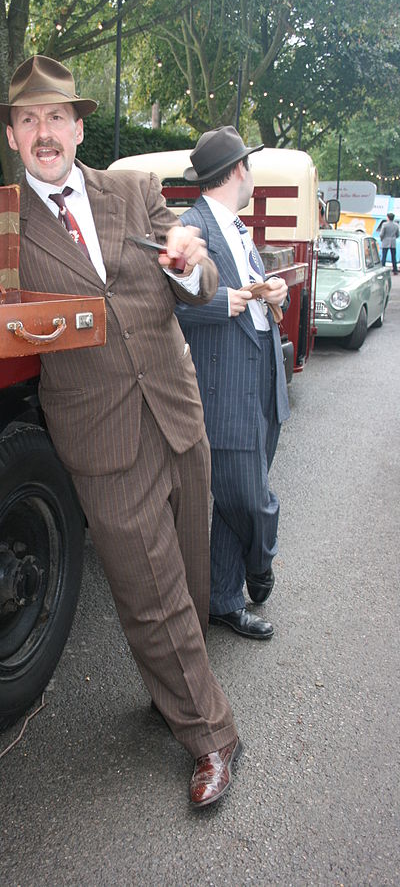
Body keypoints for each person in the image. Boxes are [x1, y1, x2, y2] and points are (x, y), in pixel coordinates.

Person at [0, 56, 242, 808]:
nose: (43, 130)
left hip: (177, 414)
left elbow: (204, 283)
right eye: (27, 119)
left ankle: (174, 693)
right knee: (150, 593)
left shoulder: (132, 190)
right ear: (14, 135)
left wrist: (193, 263)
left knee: (187, 575)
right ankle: (212, 735)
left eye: (55, 115)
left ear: (78, 125)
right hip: (103, 439)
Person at [175, 126, 290, 641]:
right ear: (238, 170)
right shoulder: (190, 226)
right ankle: (260, 564)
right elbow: (170, 305)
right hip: (224, 393)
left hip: (262, 381)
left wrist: (275, 295)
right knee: (252, 499)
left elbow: (260, 300)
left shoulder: (238, 230)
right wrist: (228, 302)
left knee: (230, 504)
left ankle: (223, 602)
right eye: (250, 167)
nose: (253, 177)